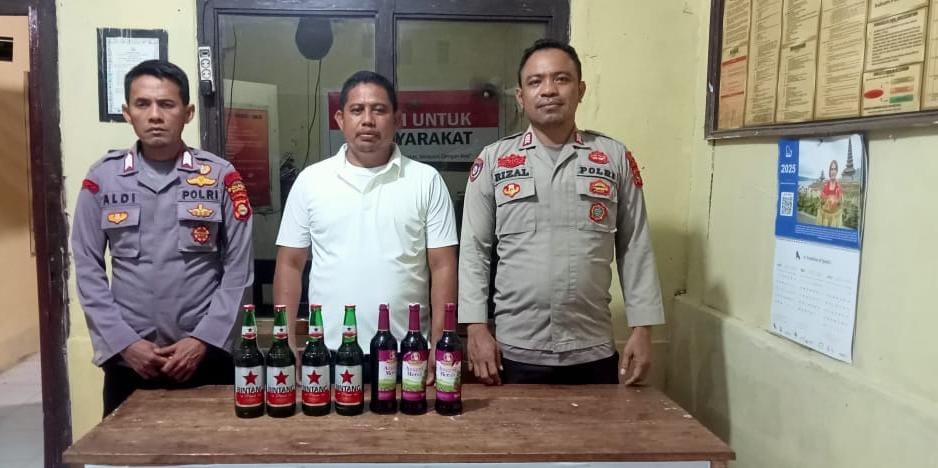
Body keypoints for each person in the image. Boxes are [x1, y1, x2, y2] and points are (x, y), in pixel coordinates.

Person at [459, 39, 665, 386]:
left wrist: (643, 328)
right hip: (514, 350)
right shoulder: (494, 160)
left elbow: (635, 246)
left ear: (580, 90)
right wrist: (475, 327)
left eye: (561, 79)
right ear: (521, 96)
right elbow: (474, 250)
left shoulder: (612, 157)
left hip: (591, 347)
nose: (549, 90)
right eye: (535, 81)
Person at [71, 60, 254, 416]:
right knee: (126, 447)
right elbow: (88, 269)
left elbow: (239, 270)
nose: (155, 115)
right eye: (143, 104)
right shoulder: (103, 179)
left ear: (188, 112)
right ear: (127, 112)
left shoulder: (220, 177)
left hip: (207, 360)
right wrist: (125, 344)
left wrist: (203, 340)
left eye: (167, 104)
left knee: (214, 445)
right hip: (130, 363)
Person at [273, 71, 458, 383]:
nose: (368, 120)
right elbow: (290, 264)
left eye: (379, 110)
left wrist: (439, 346)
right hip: (328, 354)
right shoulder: (311, 181)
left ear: (397, 119)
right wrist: (286, 343)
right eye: (357, 110)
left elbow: (443, 267)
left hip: (407, 354)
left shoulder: (425, 181)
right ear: (340, 119)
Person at [816, 160, 843, 227]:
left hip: (834, 222)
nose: (833, 171)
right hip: (824, 220)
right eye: (831, 169)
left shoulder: (839, 187)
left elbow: (840, 206)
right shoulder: (824, 186)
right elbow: (820, 204)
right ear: (829, 171)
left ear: (837, 171)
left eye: (835, 169)